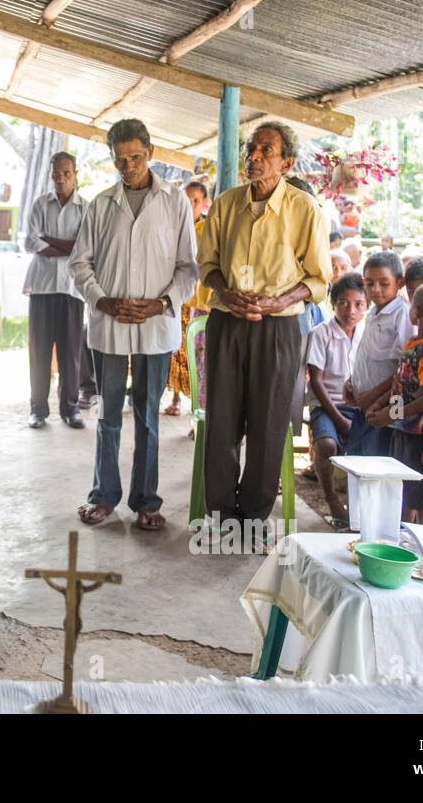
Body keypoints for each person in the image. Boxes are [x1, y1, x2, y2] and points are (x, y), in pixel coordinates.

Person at [196, 122, 330, 550]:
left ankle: (252, 519)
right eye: (251, 149)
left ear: (287, 163)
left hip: (278, 326)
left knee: (269, 423)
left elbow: (318, 280)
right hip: (228, 321)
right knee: (221, 420)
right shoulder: (226, 204)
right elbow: (208, 264)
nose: (253, 157)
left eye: (265, 151)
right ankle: (220, 519)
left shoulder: (304, 209)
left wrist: (275, 302)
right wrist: (225, 292)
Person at [70, 119, 199, 532]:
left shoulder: (175, 201)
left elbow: (189, 269)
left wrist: (162, 303)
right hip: (109, 325)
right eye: (120, 160)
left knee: (147, 415)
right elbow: (79, 264)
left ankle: (146, 500)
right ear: (112, 159)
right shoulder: (101, 204)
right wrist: (102, 299)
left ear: (151, 152)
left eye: (136, 157)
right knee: (109, 413)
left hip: (155, 325)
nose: (129, 167)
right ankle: (104, 496)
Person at [366, 280, 423, 524]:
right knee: (403, 490)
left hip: (420, 435)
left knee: (418, 497)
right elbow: (405, 383)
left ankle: (421, 544)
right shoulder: (419, 343)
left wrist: (390, 414)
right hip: (404, 428)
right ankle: (399, 534)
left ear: (416, 311)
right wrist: (383, 404)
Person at [23, 151, 89, 429]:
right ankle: (38, 410)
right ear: (51, 174)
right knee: (39, 353)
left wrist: (50, 242)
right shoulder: (40, 204)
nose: (60, 178)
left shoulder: (85, 208)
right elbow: (30, 242)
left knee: (71, 353)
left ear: (75, 175)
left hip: (72, 289)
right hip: (41, 288)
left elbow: (85, 247)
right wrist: (68, 245)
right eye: (56, 173)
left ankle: (70, 408)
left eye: (66, 173)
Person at [305, 272, 367, 528]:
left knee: (368, 451)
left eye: (358, 304)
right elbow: (316, 380)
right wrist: (339, 419)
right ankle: (331, 499)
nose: (350, 310)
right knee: (327, 445)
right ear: (332, 303)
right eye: (343, 302)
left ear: (367, 305)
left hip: (360, 406)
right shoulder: (322, 333)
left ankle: (361, 507)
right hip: (327, 405)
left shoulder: (367, 333)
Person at [344, 251, 411, 457]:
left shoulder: (402, 315)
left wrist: (374, 395)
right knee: (356, 462)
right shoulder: (373, 313)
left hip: (383, 408)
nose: (376, 289)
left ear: (400, 283)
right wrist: (352, 382)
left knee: (375, 466)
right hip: (363, 404)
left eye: (384, 283)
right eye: (370, 283)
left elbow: (405, 369)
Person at [165, 179, 211, 417]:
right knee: (177, 351)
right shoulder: (173, 228)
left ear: (204, 203)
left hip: (199, 301)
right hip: (176, 299)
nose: (190, 204)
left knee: (198, 357)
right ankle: (175, 397)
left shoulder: (209, 229)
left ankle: (199, 410)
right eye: (186, 199)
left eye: (195, 200)